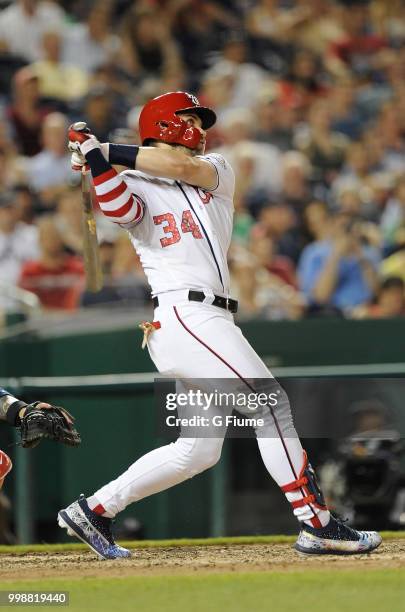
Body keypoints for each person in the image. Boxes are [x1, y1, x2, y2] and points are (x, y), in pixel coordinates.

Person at [59, 91, 381, 560]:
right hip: (186, 315)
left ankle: (95, 509)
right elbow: (120, 210)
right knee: (271, 406)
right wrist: (96, 162)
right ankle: (317, 523)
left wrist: (101, 149)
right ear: (165, 124)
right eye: (188, 117)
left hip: (205, 318)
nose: (198, 126)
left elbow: (184, 169)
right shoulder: (131, 180)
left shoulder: (217, 169)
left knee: (198, 450)